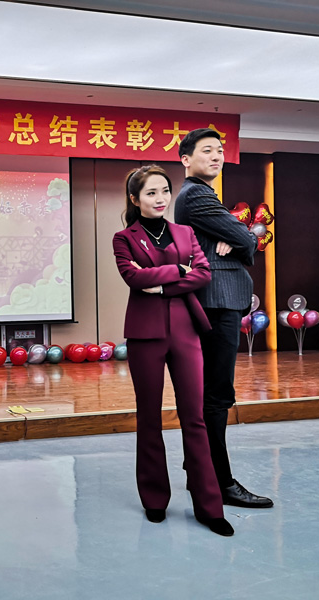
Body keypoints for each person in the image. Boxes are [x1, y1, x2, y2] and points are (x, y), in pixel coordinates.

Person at [113, 164, 233, 536]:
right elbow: (133, 277)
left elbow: (204, 273)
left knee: (194, 417)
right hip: (144, 334)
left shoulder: (185, 232)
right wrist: (179, 270)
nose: (160, 198)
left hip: (186, 331)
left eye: (165, 190)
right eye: (151, 193)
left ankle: (209, 505)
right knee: (149, 417)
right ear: (135, 199)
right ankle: (154, 499)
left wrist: (163, 284)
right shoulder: (124, 238)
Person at [174, 128, 273, 508]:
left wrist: (236, 236)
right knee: (216, 395)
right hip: (216, 301)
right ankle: (219, 482)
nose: (216, 156)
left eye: (219, 150)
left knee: (211, 393)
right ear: (186, 159)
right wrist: (239, 237)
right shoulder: (197, 195)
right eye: (207, 151)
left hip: (217, 300)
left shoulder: (201, 195)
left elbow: (243, 238)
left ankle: (198, 471)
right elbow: (250, 240)